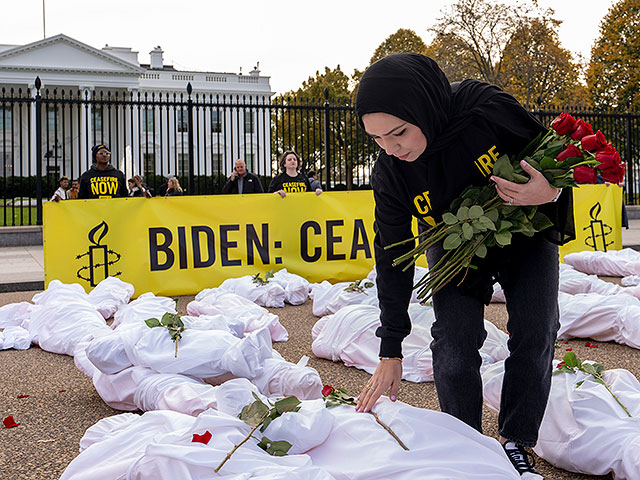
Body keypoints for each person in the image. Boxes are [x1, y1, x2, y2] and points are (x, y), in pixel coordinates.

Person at [354, 53, 574, 479]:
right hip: (455, 247)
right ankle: (466, 445)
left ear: (423, 108)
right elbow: (391, 255)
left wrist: (547, 193)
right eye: (377, 139)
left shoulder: (483, 108)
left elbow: (554, 156)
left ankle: (516, 439)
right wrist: (391, 347)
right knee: (453, 342)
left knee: (536, 329)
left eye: (398, 132)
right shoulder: (392, 174)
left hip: (523, 230)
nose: (392, 148)